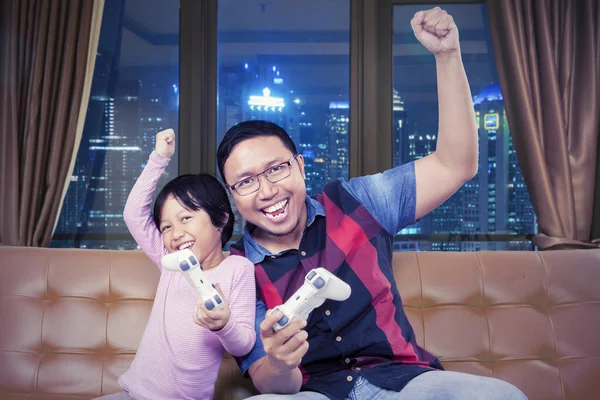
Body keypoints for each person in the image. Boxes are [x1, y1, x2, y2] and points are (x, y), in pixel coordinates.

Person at [216, 6, 527, 400]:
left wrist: (447, 56)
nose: (266, 191)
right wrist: (279, 361)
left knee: (503, 397)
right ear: (232, 195)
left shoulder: (358, 201)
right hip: (313, 392)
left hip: (403, 380)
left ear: (299, 166)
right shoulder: (236, 270)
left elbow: (456, 164)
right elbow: (272, 383)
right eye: (245, 182)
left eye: (276, 169)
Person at [96, 129, 256, 400]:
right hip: (132, 394)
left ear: (221, 218)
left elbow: (244, 345)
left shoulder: (238, 269)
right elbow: (133, 214)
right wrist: (159, 158)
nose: (174, 233)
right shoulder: (170, 264)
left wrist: (223, 324)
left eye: (185, 219)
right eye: (166, 226)